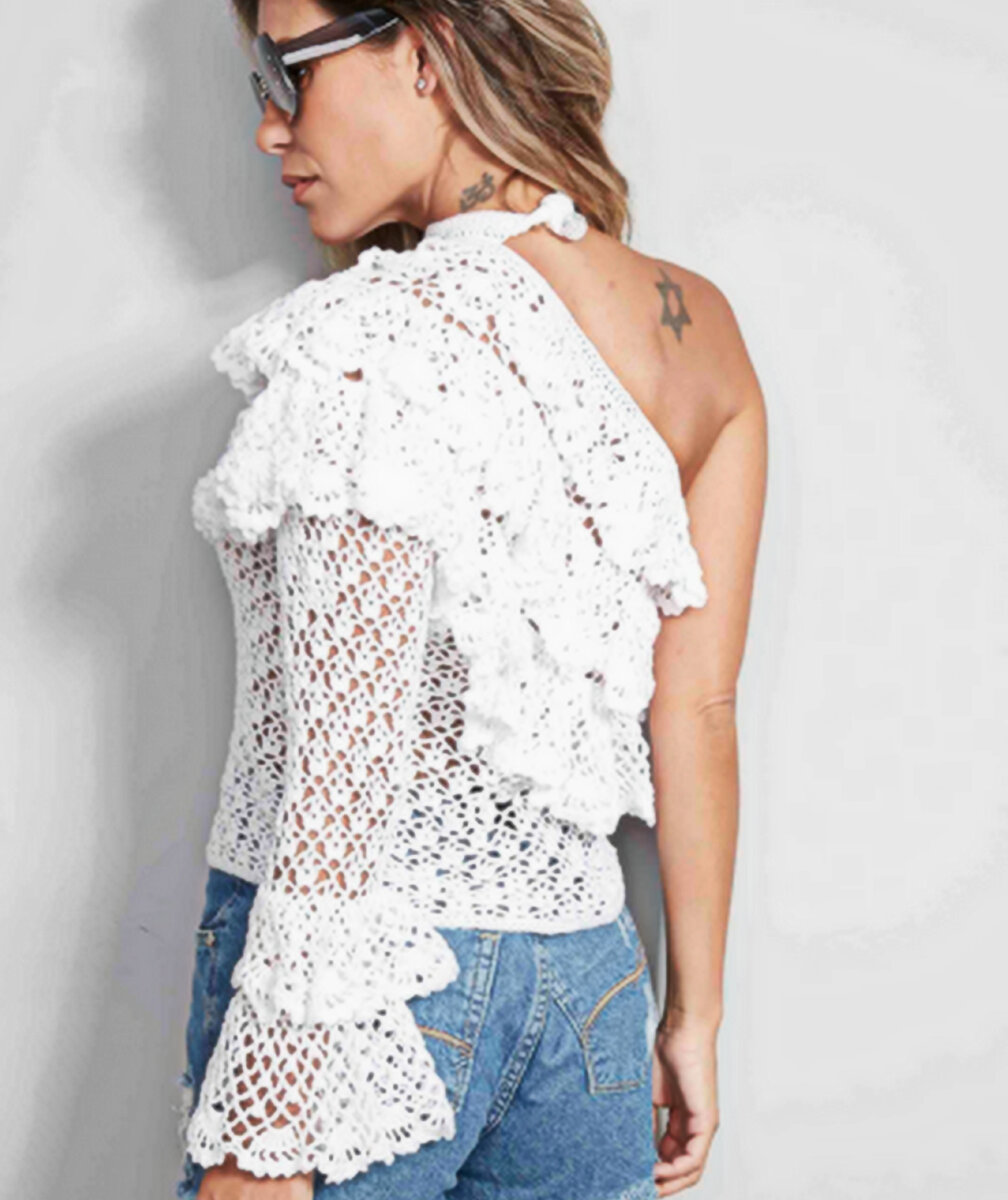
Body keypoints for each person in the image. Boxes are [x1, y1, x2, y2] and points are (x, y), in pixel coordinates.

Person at [176, 3, 767, 1199]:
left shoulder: (368, 337)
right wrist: (693, 1017)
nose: (270, 127)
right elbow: (697, 707)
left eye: (286, 71)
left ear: (426, 51)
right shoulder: (699, 329)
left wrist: (267, 1136)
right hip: (592, 998)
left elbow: (340, 793)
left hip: (360, 998)